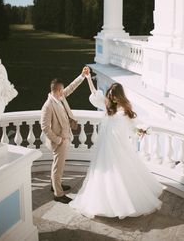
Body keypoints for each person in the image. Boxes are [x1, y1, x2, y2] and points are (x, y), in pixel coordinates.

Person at [69, 70, 163, 218]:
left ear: (119, 95)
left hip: (118, 145)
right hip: (105, 144)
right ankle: (102, 203)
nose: (112, 98)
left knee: (121, 170)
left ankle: (124, 202)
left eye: (114, 95)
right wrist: (88, 79)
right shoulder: (108, 105)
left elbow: (133, 124)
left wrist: (141, 130)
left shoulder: (125, 109)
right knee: (103, 171)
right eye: (110, 95)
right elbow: (95, 94)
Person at [40, 67, 89, 204]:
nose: (64, 92)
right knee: (58, 167)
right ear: (58, 90)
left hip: (64, 138)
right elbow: (44, 127)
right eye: (62, 90)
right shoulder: (48, 106)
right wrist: (58, 140)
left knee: (58, 165)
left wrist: (82, 76)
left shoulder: (59, 97)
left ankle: (55, 185)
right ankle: (58, 193)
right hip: (58, 141)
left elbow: (71, 88)